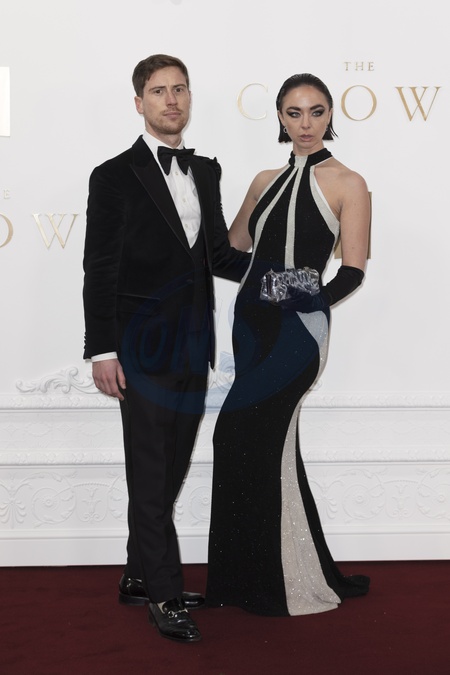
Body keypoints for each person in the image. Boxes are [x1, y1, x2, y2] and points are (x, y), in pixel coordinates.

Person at [82, 54, 249, 642]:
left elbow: (219, 257)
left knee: (170, 468)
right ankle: (164, 594)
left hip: (194, 345)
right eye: (158, 91)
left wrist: (284, 272)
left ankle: (137, 575)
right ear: (139, 103)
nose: (171, 99)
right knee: (151, 474)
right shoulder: (113, 175)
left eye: (179, 89)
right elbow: (100, 267)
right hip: (139, 350)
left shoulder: (206, 170)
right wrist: (102, 350)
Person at [206, 73, 371, 616]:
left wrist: (296, 293)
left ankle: (273, 583)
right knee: (263, 446)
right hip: (250, 327)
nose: (305, 124)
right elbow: (230, 255)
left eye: (316, 111)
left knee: (238, 434)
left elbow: (352, 272)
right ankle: (254, 576)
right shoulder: (263, 180)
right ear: (279, 116)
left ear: (330, 115)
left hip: (299, 333)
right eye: (294, 113)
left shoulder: (348, 182)